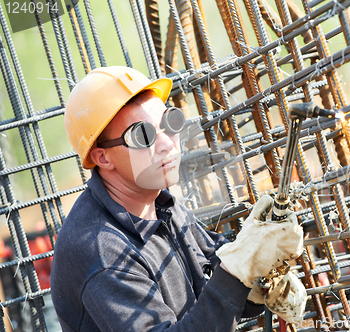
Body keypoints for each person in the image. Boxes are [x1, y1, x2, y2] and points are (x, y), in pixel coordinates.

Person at [51, 66, 306, 331]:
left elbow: (217, 292)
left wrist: (259, 279)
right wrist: (236, 270)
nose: (167, 143)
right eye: (142, 135)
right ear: (103, 157)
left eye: (169, 122)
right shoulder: (102, 254)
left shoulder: (158, 204)